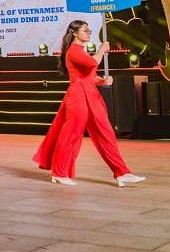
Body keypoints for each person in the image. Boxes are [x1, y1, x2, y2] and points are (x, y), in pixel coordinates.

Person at [32, 21, 146, 187]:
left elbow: (89, 76)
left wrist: (102, 80)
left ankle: (122, 172)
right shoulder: (73, 51)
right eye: (85, 30)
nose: (89, 33)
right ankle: (59, 172)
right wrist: (101, 50)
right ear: (75, 33)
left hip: (91, 96)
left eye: (89, 30)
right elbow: (93, 64)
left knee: (106, 134)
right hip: (78, 97)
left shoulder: (81, 52)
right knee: (71, 135)